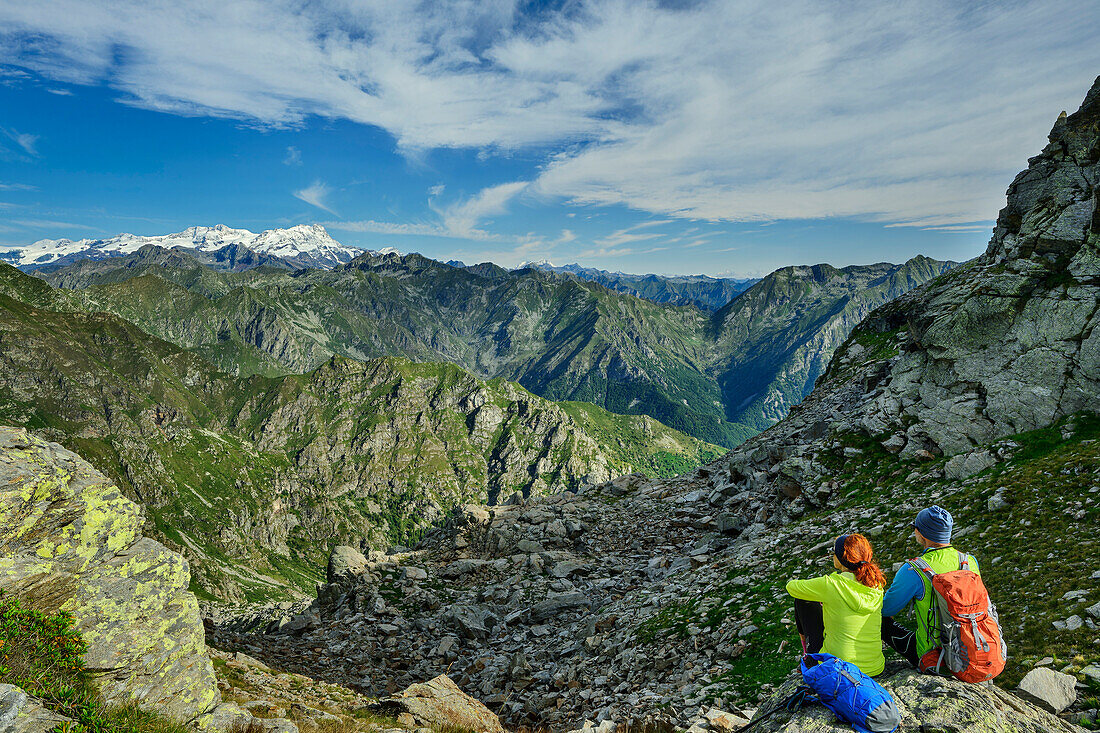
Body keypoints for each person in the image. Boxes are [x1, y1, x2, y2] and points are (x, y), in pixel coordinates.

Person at [881, 505, 979, 667]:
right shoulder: (969, 561)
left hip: (935, 657)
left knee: (882, 622)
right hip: (971, 650)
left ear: (921, 533)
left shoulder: (913, 569)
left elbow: (887, 609)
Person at [786, 533, 887, 676]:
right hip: (874, 668)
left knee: (802, 599)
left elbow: (791, 587)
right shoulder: (876, 584)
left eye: (834, 552)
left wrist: (823, 597)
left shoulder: (832, 584)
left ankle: (809, 655)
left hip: (839, 669)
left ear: (842, 557)